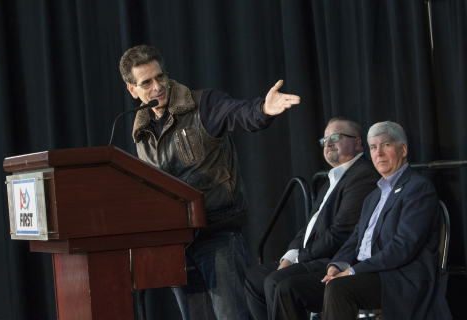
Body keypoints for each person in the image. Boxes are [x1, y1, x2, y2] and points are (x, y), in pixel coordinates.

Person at [119, 45, 300, 320]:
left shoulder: (202, 103)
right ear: (132, 89)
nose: (157, 87)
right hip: (175, 242)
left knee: (233, 316)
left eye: (160, 77)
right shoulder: (140, 130)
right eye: (147, 82)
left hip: (217, 234)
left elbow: (241, 113)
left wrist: (264, 108)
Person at [272, 121, 452, 320]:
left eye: (386, 145)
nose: (379, 153)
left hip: (397, 278)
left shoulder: (418, 189)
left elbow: (403, 247)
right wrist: (337, 265)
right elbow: (355, 238)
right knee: (287, 288)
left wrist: (353, 271)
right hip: (363, 273)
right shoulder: (373, 196)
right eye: (374, 147)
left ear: (403, 149)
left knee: (338, 288)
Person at [244, 117, 380, 320]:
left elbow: (341, 233)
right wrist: (289, 257)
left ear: (358, 143)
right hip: (311, 255)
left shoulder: (363, 175)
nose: (328, 143)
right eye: (324, 140)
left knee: (275, 282)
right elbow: (309, 227)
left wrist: (300, 259)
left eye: (335, 137)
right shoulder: (329, 182)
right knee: (254, 278)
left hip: (331, 259)